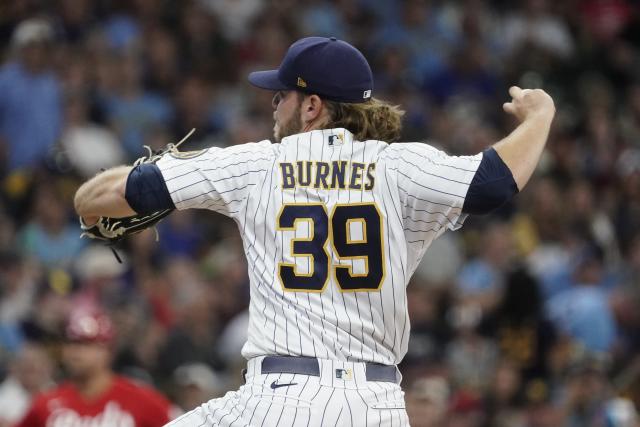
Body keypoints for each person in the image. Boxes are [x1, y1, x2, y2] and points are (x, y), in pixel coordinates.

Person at [74, 36, 555, 426]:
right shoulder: (402, 166)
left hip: (279, 400)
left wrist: (112, 189)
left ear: (312, 106)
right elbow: (495, 181)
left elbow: (104, 199)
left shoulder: (258, 162)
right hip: (378, 406)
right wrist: (541, 115)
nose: (275, 103)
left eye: (282, 94)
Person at [15, 309, 176, 426]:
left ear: (108, 351)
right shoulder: (46, 403)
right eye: (71, 343)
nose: (75, 352)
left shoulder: (141, 399)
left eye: (86, 344)